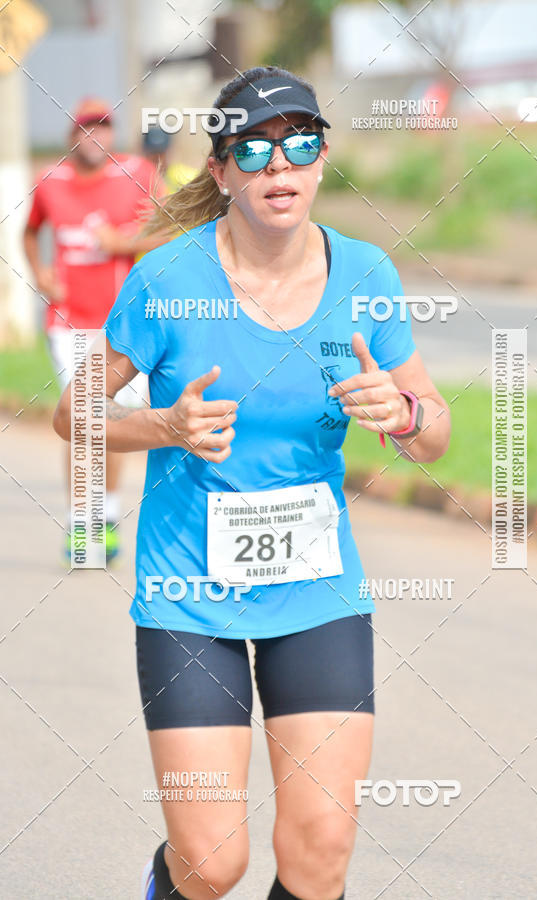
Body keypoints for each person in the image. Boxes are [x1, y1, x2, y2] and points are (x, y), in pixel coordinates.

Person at [54, 66, 450, 899]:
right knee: (211, 863)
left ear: (321, 160)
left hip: (317, 593)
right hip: (187, 594)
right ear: (223, 170)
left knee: (320, 852)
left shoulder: (366, 275)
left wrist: (405, 414)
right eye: (256, 150)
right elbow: (73, 416)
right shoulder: (166, 280)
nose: (281, 166)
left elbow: (435, 433)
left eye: (300, 144)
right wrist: (162, 426)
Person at [24, 97, 168, 564]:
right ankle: (81, 524)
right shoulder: (50, 181)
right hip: (68, 321)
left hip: (124, 326)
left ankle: (104, 517)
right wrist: (40, 271)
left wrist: (124, 244)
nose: (96, 137)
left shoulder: (140, 173)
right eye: (87, 128)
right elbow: (30, 232)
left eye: (104, 128)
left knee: (112, 422)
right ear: (73, 137)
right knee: (83, 419)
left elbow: (172, 230)